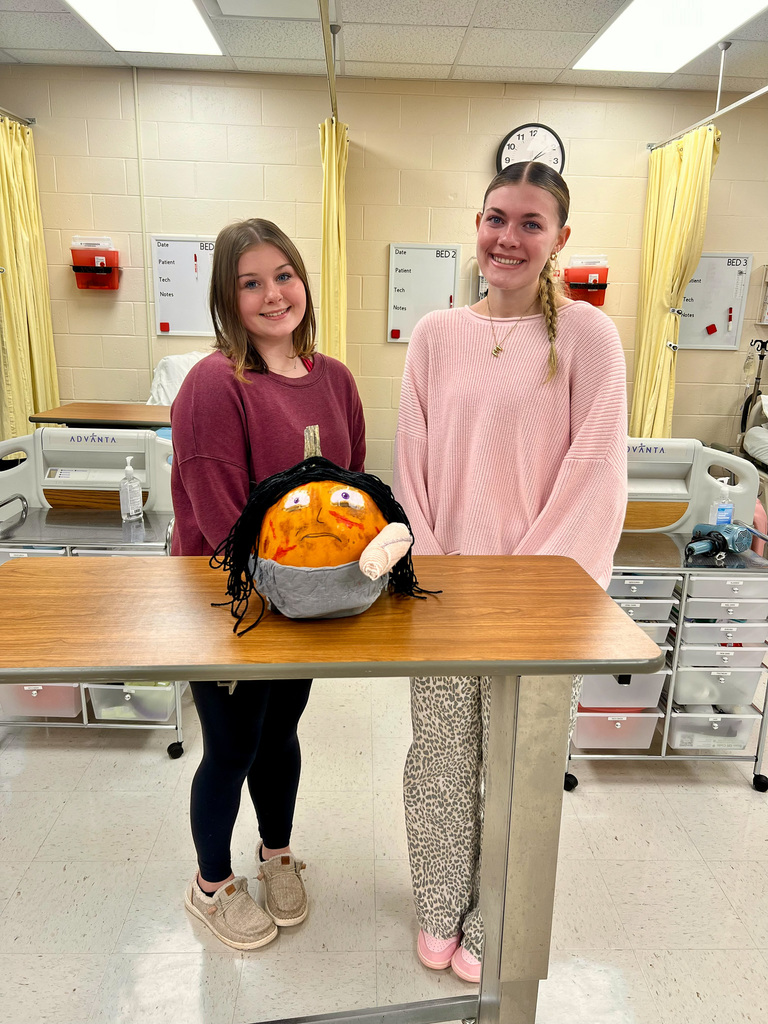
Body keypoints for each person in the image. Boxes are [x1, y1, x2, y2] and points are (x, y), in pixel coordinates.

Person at [393, 161, 628, 982]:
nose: (509, 237)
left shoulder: (591, 337)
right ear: (478, 225)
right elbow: (411, 461)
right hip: (444, 596)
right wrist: (431, 564)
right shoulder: (435, 333)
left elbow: (595, 472)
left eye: (532, 223)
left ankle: (496, 921)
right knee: (441, 762)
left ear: (560, 239)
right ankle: (437, 905)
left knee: (520, 771)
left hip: (541, 604)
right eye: (497, 217)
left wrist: (522, 590)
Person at [170, 217, 366, 951]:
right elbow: (220, 515)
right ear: (228, 297)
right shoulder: (214, 384)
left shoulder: (335, 379)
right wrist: (286, 585)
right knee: (231, 747)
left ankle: (277, 855)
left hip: (309, 603)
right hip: (233, 603)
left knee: (280, 733)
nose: (273, 294)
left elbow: (349, 491)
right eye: (250, 282)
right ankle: (211, 887)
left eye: (283, 274)